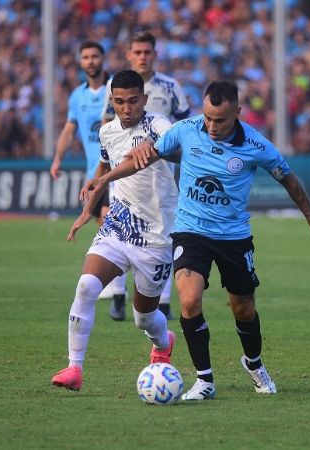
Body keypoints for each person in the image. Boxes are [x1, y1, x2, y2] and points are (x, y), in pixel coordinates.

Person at [85, 80, 310, 400]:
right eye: (207, 117)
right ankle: (204, 380)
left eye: (220, 119)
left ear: (238, 113)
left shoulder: (257, 146)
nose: (211, 126)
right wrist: (104, 178)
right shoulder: (187, 129)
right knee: (189, 300)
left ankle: (253, 363)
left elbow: (288, 178)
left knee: (243, 309)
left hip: (234, 237)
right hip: (191, 231)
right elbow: (148, 154)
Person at [50, 70, 178, 391]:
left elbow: (164, 150)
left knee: (144, 319)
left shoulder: (159, 126)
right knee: (85, 287)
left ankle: (163, 343)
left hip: (155, 237)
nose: (126, 108)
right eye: (119, 102)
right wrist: (87, 209)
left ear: (144, 100)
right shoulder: (107, 132)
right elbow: (104, 167)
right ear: (112, 101)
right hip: (118, 228)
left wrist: (157, 145)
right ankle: (74, 369)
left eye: (133, 101)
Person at [101, 31, 192, 320]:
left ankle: (161, 302)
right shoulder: (113, 85)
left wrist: (165, 148)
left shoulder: (170, 86)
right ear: (130, 54)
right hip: (123, 174)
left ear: (154, 54)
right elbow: (108, 125)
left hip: (160, 174)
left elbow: (185, 127)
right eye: (137, 52)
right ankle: (118, 296)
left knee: (159, 233)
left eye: (147, 52)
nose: (142, 56)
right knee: (120, 230)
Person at [48, 41, 128, 321]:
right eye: (85, 57)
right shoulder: (77, 96)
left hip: (118, 170)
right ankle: (120, 289)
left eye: (95, 56)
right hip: (93, 172)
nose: (91, 61)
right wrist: (57, 158)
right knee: (109, 226)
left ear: (103, 59)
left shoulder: (116, 90)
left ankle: (119, 295)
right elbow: (69, 128)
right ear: (80, 62)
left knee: (109, 220)